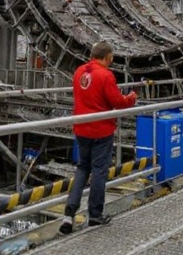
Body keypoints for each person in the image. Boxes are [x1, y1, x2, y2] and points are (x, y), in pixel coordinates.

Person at [60, 41, 137, 234]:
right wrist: (131, 98)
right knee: (99, 172)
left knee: (82, 168)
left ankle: (68, 214)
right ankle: (95, 214)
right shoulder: (106, 75)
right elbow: (117, 102)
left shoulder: (79, 72)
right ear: (108, 57)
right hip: (101, 131)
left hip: (81, 129)